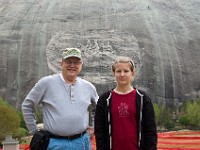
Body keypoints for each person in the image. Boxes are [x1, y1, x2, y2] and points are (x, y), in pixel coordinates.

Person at [22, 48, 99, 150]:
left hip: (82, 143)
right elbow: (27, 106)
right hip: (54, 143)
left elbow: (98, 108)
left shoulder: (88, 87)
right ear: (61, 63)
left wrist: (94, 128)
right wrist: (35, 132)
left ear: (81, 65)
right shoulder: (46, 83)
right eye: (68, 61)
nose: (72, 65)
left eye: (76, 62)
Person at [94, 56, 157, 150]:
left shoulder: (143, 99)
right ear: (113, 73)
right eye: (118, 71)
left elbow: (150, 130)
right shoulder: (105, 100)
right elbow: (100, 131)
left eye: (126, 71)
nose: (122, 74)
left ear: (132, 73)